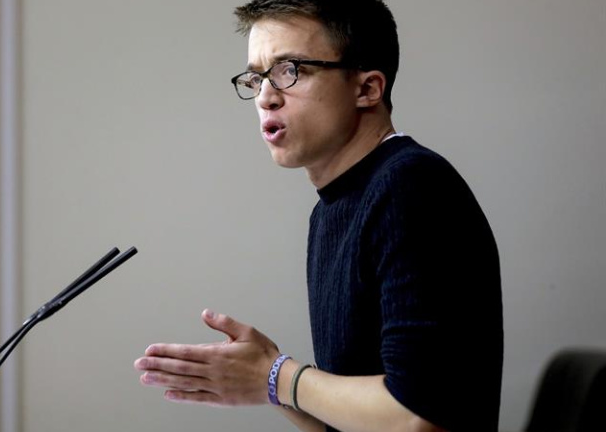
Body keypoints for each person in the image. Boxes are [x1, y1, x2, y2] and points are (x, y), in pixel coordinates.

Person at [133, 1, 503, 431]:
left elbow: (419, 417)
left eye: (290, 70)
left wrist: (276, 377)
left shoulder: (410, 186)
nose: (266, 97)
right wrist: (264, 383)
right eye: (257, 78)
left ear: (367, 88)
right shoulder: (330, 211)